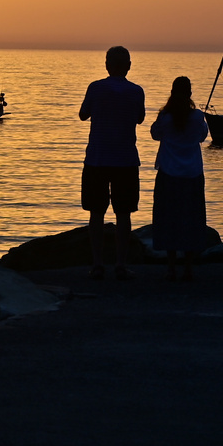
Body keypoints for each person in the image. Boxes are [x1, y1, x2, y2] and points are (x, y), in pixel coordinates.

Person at [78, 45, 146, 280]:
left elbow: (82, 114)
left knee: (96, 213)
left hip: (97, 158)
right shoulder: (137, 91)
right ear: (128, 66)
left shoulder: (95, 88)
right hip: (126, 160)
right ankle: (120, 264)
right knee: (123, 213)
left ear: (107, 65)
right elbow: (140, 118)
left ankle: (97, 264)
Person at [149, 75, 210, 281]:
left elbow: (154, 134)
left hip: (168, 174)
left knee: (169, 220)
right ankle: (189, 268)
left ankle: (171, 267)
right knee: (191, 220)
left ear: (172, 92)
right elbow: (202, 136)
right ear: (190, 94)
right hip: (192, 175)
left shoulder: (165, 118)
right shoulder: (197, 117)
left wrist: (163, 114)